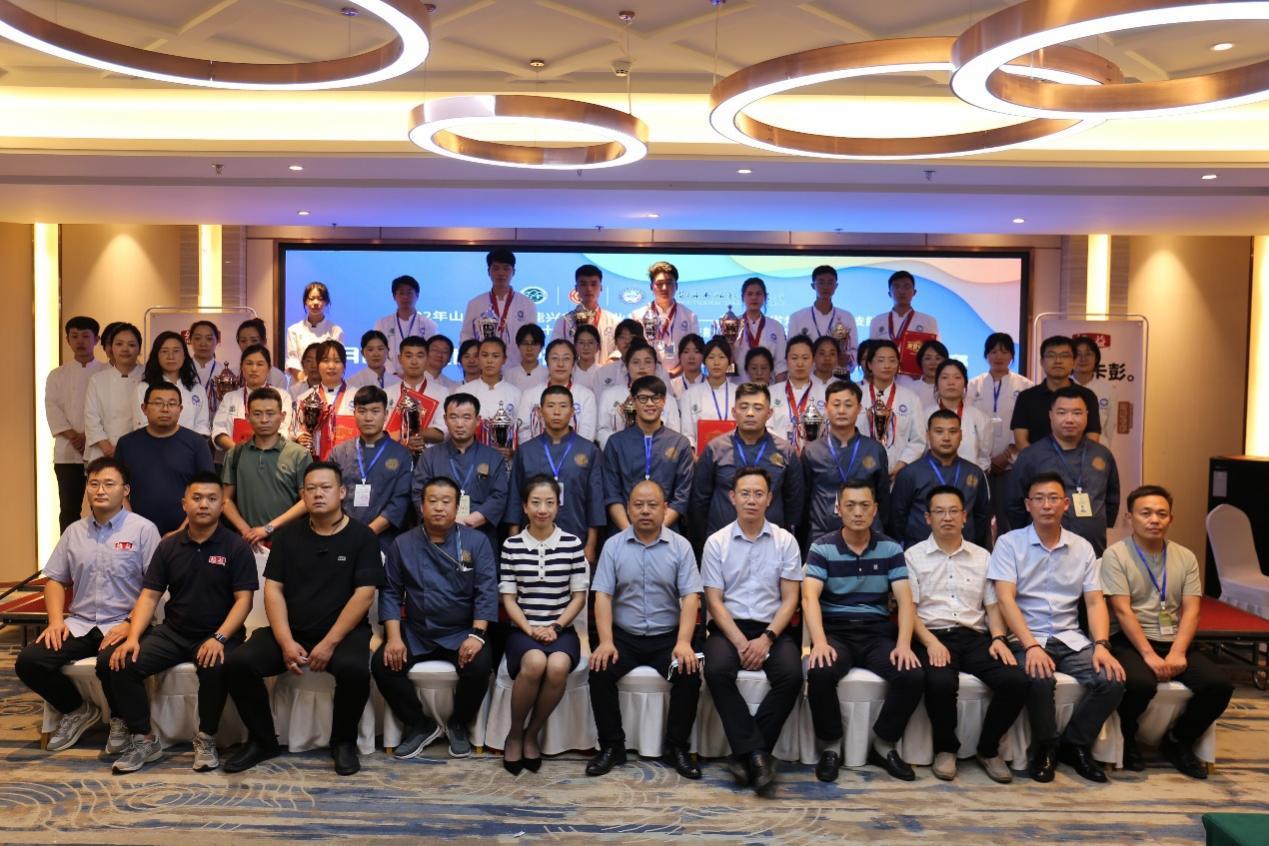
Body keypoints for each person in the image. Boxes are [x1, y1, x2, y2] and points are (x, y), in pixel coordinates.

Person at [223, 461, 384, 776]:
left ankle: (343, 742)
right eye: (310, 489)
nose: (318, 494)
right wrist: (285, 641)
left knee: (354, 669)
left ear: (342, 492)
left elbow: (364, 596)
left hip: (342, 634)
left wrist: (329, 644)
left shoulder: (362, 537)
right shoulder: (287, 536)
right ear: (303, 495)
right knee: (239, 663)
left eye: (325, 488)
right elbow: (273, 591)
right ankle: (262, 741)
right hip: (292, 630)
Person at [98, 472, 258, 774]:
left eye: (211, 499)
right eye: (196, 498)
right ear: (184, 504)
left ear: (222, 505)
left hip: (218, 633)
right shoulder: (169, 545)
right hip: (173, 632)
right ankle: (144, 739)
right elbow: (149, 596)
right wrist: (133, 637)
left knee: (216, 665)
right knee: (118, 661)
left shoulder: (235, 546)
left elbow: (244, 601)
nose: (203, 504)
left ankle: (206, 738)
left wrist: (220, 638)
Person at [15, 457, 159, 754]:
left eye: (109, 484)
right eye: (94, 484)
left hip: (124, 622)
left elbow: (155, 587)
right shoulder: (74, 532)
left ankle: (120, 720)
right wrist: (56, 622)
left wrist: (130, 624)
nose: (100, 490)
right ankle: (77, 710)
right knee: (29, 661)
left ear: (126, 490)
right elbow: (55, 580)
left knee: (112, 661)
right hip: (80, 623)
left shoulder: (143, 530)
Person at [989, 472, 1126, 783]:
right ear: (1028, 505)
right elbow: (1005, 599)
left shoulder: (1082, 548)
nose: (1046, 505)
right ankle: (1046, 746)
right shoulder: (1009, 543)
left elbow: (1094, 602)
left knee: (1112, 679)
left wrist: (1101, 645)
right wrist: (1031, 646)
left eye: (1053, 499)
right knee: (1037, 678)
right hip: (1026, 637)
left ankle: (1075, 745)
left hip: (1070, 638)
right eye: (1039, 499)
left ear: (1066, 504)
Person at [1101, 485, 1233, 779]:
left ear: (1171, 519)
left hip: (1173, 640)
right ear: (1129, 517)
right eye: (1145, 513)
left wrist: (1177, 652)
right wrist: (1149, 655)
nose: (1154, 520)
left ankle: (1179, 741)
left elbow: (1192, 611)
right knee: (1139, 684)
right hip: (1130, 640)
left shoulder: (1185, 557)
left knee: (1218, 686)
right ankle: (1129, 739)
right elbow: (1122, 611)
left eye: (1162, 514)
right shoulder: (1115, 555)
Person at [803, 481, 923, 783]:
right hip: (836, 633)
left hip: (876, 634)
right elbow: (809, 598)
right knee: (819, 672)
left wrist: (904, 644)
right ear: (839, 509)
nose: (858, 512)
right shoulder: (822, 548)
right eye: (851, 505)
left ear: (875, 509)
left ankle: (883, 745)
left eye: (865, 505)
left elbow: (905, 601)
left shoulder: (890, 549)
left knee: (911, 674)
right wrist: (819, 643)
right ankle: (832, 747)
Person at [906, 486, 1028, 783]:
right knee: (939, 682)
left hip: (975, 636)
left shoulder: (982, 556)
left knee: (1015, 680)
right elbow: (909, 611)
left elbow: (992, 605)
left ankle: (988, 749)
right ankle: (946, 749)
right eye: (939, 512)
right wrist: (931, 643)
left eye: (953, 511)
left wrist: (999, 638)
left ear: (964, 516)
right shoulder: (913, 556)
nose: (947, 517)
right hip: (933, 634)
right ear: (927, 518)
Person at [586, 480, 704, 779]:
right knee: (599, 670)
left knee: (689, 673)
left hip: (668, 637)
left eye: (653, 505)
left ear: (665, 509)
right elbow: (602, 596)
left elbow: (691, 597)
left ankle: (676, 747)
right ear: (628, 509)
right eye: (638, 505)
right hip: (624, 636)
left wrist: (684, 642)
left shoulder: (680, 546)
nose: (645, 511)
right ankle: (612, 746)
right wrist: (606, 641)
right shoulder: (613, 545)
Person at [375, 476, 497, 760]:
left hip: (462, 631)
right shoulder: (403, 544)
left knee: (479, 666)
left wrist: (477, 635)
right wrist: (393, 638)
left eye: (446, 502)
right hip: (418, 630)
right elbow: (391, 593)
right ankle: (420, 724)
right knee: (383, 665)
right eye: (432, 501)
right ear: (422, 506)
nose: (439, 507)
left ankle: (458, 723)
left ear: (457, 508)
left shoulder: (476, 541)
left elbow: (487, 591)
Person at [701, 467, 803, 794]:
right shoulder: (716, 542)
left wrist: (766, 639)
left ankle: (745, 753)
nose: (751, 500)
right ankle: (758, 754)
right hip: (728, 627)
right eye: (745, 493)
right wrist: (741, 642)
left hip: (772, 628)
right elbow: (714, 601)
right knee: (716, 671)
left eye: (759, 494)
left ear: (769, 499)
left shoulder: (785, 541)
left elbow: (790, 599)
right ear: (732, 498)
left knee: (792, 675)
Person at [498, 476, 589, 774]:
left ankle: (532, 733)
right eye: (535, 503)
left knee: (558, 666)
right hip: (522, 631)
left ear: (558, 506)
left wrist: (556, 627)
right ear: (525, 507)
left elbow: (578, 596)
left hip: (561, 630)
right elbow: (509, 598)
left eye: (549, 503)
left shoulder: (572, 543)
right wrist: (530, 629)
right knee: (535, 661)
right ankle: (514, 734)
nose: (542, 509)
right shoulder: (511, 545)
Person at [1008, 387, 1120, 555]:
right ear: (1051, 415)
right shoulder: (1031, 456)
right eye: (1062, 413)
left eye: (1077, 413)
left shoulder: (1102, 454)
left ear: (1087, 415)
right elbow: (1015, 505)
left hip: (1093, 549)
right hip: (1042, 551)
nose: (1069, 419)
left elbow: (1112, 501)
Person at [691, 382, 803, 548]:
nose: (750, 413)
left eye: (758, 408)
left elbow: (794, 503)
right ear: (734, 412)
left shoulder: (786, 452)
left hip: (771, 543)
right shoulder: (715, 449)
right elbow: (699, 501)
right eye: (744, 407)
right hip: (722, 543)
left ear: (769, 413)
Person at [507, 385, 606, 565]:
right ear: (540, 412)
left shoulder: (589, 450)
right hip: (531, 538)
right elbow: (515, 499)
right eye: (551, 406)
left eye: (563, 406)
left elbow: (595, 500)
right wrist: (514, 542)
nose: (557, 412)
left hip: (576, 534)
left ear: (572, 412)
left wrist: (591, 545)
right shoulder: (526, 451)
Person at [411, 393, 509, 554]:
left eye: (466, 417)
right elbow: (418, 494)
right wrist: (445, 520)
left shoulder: (493, 457)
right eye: (454, 417)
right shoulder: (430, 456)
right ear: (445, 419)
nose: (459, 424)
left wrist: (469, 521)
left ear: (478, 420)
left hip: (480, 533)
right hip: (437, 534)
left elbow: (499, 496)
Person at [115, 383, 215, 536]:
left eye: (172, 404)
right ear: (144, 408)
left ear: (180, 409)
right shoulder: (126, 444)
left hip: (189, 535)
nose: (165, 409)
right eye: (158, 403)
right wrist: (132, 526)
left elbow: (209, 492)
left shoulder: (197, 443)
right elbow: (117, 489)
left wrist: (182, 531)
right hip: (136, 534)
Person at [221, 387, 312, 551]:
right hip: (246, 542)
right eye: (257, 414)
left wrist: (268, 528)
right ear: (247, 417)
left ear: (282, 416)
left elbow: (307, 500)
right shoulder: (235, 453)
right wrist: (247, 531)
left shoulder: (299, 454)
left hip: (288, 542)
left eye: (270, 414)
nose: (264, 420)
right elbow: (225, 500)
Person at [602, 376, 694, 533]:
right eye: (643, 398)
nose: (650, 403)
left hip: (667, 532)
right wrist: (629, 533)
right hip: (623, 532)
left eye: (656, 398)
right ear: (633, 401)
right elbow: (612, 494)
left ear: (664, 401)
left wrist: (657, 532)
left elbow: (681, 497)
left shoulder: (680, 443)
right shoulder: (616, 443)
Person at [800, 381, 890, 541]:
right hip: (822, 535)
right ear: (826, 408)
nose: (841, 411)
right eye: (836, 405)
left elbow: (883, 498)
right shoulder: (812, 451)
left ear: (859, 408)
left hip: (867, 534)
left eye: (848, 405)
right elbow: (804, 500)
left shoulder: (874, 449)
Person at [889, 408, 991, 549]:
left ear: (961, 435)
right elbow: (897, 519)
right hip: (921, 553)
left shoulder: (974, 472)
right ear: (928, 435)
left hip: (965, 552)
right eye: (939, 431)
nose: (946, 438)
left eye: (953, 431)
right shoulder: (910, 474)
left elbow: (981, 517)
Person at [329, 386, 414, 554]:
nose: (368, 418)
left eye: (375, 411)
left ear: (386, 414)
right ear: (354, 413)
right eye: (362, 411)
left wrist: (365, 534)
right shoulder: (339, 452)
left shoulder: (402, 455)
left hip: (385, 542)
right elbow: (329, 495)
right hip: (341, 536)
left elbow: (400, 502)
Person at [967, 333, 1034, 534]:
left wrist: (1007, 454)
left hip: (1011, 463)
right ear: (986, 355)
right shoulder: (972, 385)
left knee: (1009, 518)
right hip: (981, 464)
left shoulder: (1026, 386)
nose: (999, 356)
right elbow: (968, 423)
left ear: (1012, 355)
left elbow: (1026, 423)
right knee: (980, 517)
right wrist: (986, 457)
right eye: (993, 351)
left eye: (1004, 351)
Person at [45, 315, 106, 531]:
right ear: (67, 340)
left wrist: (89, 436)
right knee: (69, 509)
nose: (80, 341)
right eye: (75, 336)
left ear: (96, 339)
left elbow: (106, 410)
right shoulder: (57, 375)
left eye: (86, 336)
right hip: (67, 453)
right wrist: (74, 436)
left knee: (102, 507)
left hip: (99, 449)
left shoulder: (106, 372)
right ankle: (69, 550)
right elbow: (52, 408)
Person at [1011, 335, 1102, 448]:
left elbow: (1092, 438)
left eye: (1064, 356)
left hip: (1078, 460)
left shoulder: (1087, 396)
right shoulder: (1026, 397)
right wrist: (1039, 459)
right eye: (1051, 355)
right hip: (1035, 459)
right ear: (1042, 362)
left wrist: (1072, 459)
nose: (1058, 361)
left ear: (1074, 362)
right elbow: (1020, 441)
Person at [459, 248, 539, 370]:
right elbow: (467, 337)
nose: (501, 273)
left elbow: (532, 340)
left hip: (517, 368)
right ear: (488, 272)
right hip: (484, 369)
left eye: (506, 268)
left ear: (513, 272)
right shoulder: (475, 303)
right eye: (496, 268)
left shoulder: (527, 304)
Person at [859, 340, 926, 477]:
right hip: (859, 469)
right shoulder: (856, 395)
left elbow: (918, 440)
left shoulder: (910, 398)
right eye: (881, 360)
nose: (887, 365)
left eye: (892, 360)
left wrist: (900, 466)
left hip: (898, 473)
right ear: (870, 365)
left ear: (898, 364)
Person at [598, 342, 680, 448]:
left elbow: (674, 435)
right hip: (618, 453)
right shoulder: (609, 395)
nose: (642, 367)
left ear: (656, 366)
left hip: (657, 453)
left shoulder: (668, 400)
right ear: (627, 366)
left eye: (648, 362)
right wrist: (622, 446)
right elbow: (602, 431)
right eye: (636, 362)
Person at [212, 345, 291, 451]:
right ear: (242, 367)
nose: (254, 369)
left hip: (271, 455)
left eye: (260, 364)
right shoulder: (230, 398)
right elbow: (218, 430)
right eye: (249, 363)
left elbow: (283, 430)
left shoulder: (282, 396)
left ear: (269, 368)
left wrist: (260, 452)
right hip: (236, 455)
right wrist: (239, 451)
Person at [84, 322, 144, 461]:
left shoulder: (149, 376)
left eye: (131, 345)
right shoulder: (97, 379)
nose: (125, 349)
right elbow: (91, 417)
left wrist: (129, 448)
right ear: (112, 348)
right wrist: (107, 448)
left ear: (139, 349)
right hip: (103, 452)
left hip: (139, 451)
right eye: (119, 344)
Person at [518, 339, 598, 443]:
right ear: (547, 361)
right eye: (555, 358)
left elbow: (587, 434)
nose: (560, 364)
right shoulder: (530, 395)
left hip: (575, 452)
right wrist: (538, 450)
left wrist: (569, 450)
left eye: (566, 359)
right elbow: (523, 430)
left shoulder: (586, 396)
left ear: (573, 363)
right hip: (537, 451)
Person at [132, 331, 211, 436]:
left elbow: (202, 426)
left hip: (192, 445)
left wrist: (191, 444)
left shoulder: (197, 389)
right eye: (164, 351)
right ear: (156, 355)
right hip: (154, 444)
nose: (171, 356)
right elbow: (142, 426)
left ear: (184, 355)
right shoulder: (144, 388)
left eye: (176, 351)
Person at [630, 261, 700, 378]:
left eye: (669, 283)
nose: (664, 288)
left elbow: (696, 351)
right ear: (651, 287)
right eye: (659, 284)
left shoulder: (689, 316)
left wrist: (676, 371)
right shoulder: (637, 316)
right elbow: (633, 350)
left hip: (680, 377)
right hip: (647, 377)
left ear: (676, 286)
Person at [291, 340, 357, 460]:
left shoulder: (357, 396)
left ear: (344, 366)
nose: (331, 366)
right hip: (315, 464)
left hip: (349, 462)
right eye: (325, 361)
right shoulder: (304, 399)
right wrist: (299, 436)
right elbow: (293, 431)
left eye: (337, 361)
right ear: (318, 365)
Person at [787, 265, 859, 373]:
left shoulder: (847, 317)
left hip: (838, 375)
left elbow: (854, 349)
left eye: (830, 282)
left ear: (836, 286)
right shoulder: (797, 317)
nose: (826, 287)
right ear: (813, 286)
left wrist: (848, 359)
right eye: (821, 282)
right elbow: (791, 350)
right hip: (807, 375)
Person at [384, 335, 449, 453]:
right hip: (394, 455)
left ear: (427, 358)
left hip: (430, 457)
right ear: (400, 359)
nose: (414, 361)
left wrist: (407, 434)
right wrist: (405, 439)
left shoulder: (441, 392)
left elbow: (442, 432)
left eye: (420, 356)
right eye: (408, 356)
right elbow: (382, 431)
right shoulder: (387, 393)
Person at [926, 360, 991, 472]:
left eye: (957, 377)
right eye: (945, 377)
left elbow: (984, 457)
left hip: (969, 479)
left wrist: (972, 477)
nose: (951, 382)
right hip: (930, 477)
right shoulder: (924, 415)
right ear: (936, 383)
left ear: (965, 383)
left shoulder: (979, 417)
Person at [464, 337, 523, 458]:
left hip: (505, 459)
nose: (489, 361)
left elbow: (521, 431)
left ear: (504, 359)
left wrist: (513, 451)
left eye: (495, 356)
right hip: (470, 457)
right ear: (478, 358)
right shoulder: (464, 392)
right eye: (485, 355)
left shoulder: (516, 394)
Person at [550, 263, 621, 361]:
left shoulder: (614, 321)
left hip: (606, 370)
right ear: (576, 288)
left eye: (593, 284)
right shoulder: (564, 322)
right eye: (583, 284)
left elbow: (620, 350)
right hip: (574, 371)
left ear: (601, 287)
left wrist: (610, 363)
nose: (589, 289)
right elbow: (555, 351)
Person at [767, 335, 826, 451]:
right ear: (786, 361)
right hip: (778, 455)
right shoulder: (771, 392)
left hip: (815, 456)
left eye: (805, 358)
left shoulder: (825, 393)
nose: (800, 363)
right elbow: (766, 428)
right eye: (794, 358)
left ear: (813, 360)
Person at [373, 274, 438, 376]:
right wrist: (393, 374)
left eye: (409, 293)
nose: (405, 297)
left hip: (420, 377)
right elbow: (378, 351)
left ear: (417, 295)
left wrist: (416, 374)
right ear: (394, 296)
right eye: (401, 293)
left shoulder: (429, 325)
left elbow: (432, 354)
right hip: (389, 377)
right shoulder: (382, 324)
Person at [679, 337, 737, 451]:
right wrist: (693, 453)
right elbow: (687, 433)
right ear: (704, 361)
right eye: (711, 357)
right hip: (701, 455)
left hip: (734, 454)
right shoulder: (689, 395)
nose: (716, 363)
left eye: (721, 357)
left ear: (729, 361)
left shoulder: (739, 393)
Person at [285, 281, 344, 382]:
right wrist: (305, 383)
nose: (315, 303)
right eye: (311, 299)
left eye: (320, 299)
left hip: (327, 382)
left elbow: (336, 360)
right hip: (300, 384)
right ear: (305, 302)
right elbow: (292, 361)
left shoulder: (335, 331)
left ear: (326, 302)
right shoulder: (294, 330)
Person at [731, 277, 788, 378]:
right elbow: (726, 360)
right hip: (738, 383)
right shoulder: (732, 324)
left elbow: (780, 364)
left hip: (768, 385)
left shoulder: (776, 326)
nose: (754, 297)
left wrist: (779, 387)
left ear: (765, 297)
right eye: (750, 294)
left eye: (758, 294)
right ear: (743, 297)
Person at [1072, 336, 1118, 447]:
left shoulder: (1108, 389)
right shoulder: (1062, 387)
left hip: (1098, 448)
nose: (1083, 359)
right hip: (1066, 450)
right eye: (1078, 354)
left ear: (1096, 358)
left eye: (1088, 354)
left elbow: (1109, 427)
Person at [868, 270, 940, 340]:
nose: (901, 291)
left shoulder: (929, 321)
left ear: (914, 292)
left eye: (907, 287)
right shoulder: (877, 321)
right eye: (896, 286)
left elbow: (935, 347)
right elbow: (872, 347)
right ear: (889, 293)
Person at [234, 318, 289, 390]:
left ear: (264, 341)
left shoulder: (278, 377)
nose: (248, 345)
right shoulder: (233, 374)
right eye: (243, 341)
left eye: (254, 340)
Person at [188, 320, 224, 416]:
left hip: (217, 421)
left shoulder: (223, 372)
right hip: (187, 422)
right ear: (190, 340)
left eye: (209, 338)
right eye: (197, 338)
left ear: (217, 341)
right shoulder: (182, 370)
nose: (203, 343)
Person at [897, 339, 947, 406]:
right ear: (920, 361)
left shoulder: (950, 388)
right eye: (928, 358)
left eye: (938, 358)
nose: (933, 363)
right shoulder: (909, 388)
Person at [506, 323, 548, 391]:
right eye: (525, 344)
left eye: (534, 344)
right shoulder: (508, 375)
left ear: (541, 347)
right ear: (518, 346)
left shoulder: (548, 374)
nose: (529, 349)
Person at [569, 324, 606, 393]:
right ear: (575, 346)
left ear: (598, 346)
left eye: (591, 343)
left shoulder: (604, 372)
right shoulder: (569, 372)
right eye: (581, 343)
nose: (586, 347)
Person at [670, 334, 707, 400]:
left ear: (703, 356)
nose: (691, 357)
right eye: (686, 352)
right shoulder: (671, 386)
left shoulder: (711, 384)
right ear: (679, 356)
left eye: (696, 352)